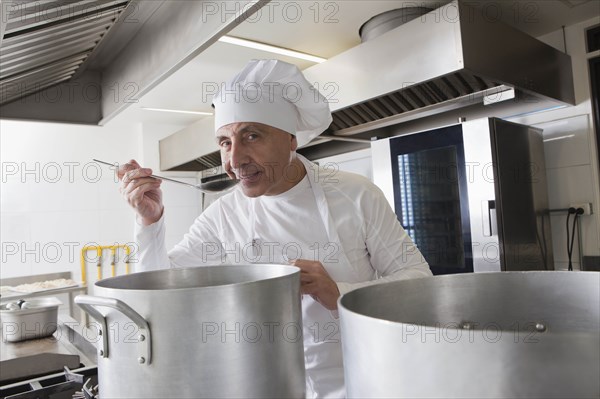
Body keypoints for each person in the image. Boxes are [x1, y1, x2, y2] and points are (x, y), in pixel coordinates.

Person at [118, 59, 432, 398]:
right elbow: (157, 293)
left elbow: (418, 280)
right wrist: (149, 222)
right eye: (225, 142)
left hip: (359, 383)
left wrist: (339, 292)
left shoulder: (355, 194)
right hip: (262, 384)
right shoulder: (223, 213)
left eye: (251, 136)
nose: (235, 160)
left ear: (291, 140)